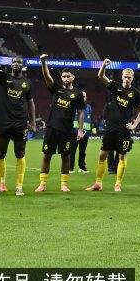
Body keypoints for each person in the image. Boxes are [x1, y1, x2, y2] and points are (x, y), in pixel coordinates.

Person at [85, 59, 140, 192]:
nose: (127, 79)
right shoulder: (115, 86)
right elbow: (101, 76)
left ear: (132, 78)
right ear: (122, 77)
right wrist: (103, 65)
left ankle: (118, 184)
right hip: (110, 128)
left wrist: (134, 125)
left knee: (122, 156)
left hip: (124, 129)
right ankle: (98, 183)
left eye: (129, 77)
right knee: (102, 155)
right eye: (125, 77)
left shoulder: (135, 93)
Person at [0, 45, 35, 197]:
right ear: (11, 65)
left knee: (20, 153)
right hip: (3, 122)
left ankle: (19, 187)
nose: (16, 64)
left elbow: (31, 103)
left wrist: (33, 122)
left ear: (22, 66)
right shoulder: (3, 77)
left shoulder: (27, 83)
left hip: (20, 123)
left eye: (19, 62)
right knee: (0, 153)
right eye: (14, 62)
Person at [35, 54, 85, 193]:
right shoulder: (56, 89)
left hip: (67, 130)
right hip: (52, 127)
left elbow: (81, 112)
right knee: (47, 155)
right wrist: (43, 62)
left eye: (68, 76)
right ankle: (42, 184)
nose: (66, 78)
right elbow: (47, 76)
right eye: (63, 76)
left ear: (73, 77)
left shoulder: (78, 94)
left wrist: (80, 130)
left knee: (65, 156)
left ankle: (64, 184)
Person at [68, 100, 93, 173]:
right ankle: (70, 168)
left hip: (86, 132)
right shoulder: (74, 106)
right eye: (82, 96)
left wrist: (90, 129)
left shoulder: (89, 107)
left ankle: (82, 167)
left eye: (85, 96)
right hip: (75, 132)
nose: (83, 98)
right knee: (72, 150)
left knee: (83, 151)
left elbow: (90, 119)